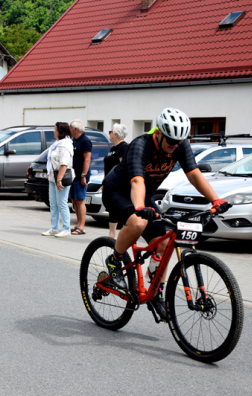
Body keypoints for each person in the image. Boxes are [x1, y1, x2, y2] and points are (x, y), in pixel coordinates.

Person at [102, 108, 231, 320]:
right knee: (138, 223)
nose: (174, 144)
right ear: (160, 132)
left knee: (162, 242)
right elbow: (137, 181)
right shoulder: (141, 145)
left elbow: (194, 174)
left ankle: (155, 290)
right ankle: (115, 260)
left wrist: (215, 199)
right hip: (117, 191)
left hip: (144, 196)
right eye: (170, 139)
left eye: (178, 141)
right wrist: (139, 208)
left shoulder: (180, 145)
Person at [42, 122, 74, 237]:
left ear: (60, 131)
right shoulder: (57, 144)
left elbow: (64, 164)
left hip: (61, 179)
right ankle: (54, 228)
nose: (53, 131)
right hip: (52, 178)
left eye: (55, 129)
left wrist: (59, 180)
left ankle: (66, 229)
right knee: (53, 204)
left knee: (62, 203)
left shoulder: (64, 145)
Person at [103, 123, 129, 238]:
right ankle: (111, 234)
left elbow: (123, 166)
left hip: (117, 184)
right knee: (112, 209)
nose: (109, 133)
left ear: (116, 134)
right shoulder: (113, 148)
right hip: (109, 182)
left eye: (111, 131)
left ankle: (120, 235)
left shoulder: (123, 147)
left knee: (117, 208)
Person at [69, 120, 92, 235]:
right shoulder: (74, 140)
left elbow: (87, 159)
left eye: (71, 128)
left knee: (80, 200)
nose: (70, 131)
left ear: (76, 129)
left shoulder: (85, 141)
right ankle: (78, 224)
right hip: (73, 175)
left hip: (80, 176)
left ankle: (82, 227)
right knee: (74, 200)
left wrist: (83, 175)